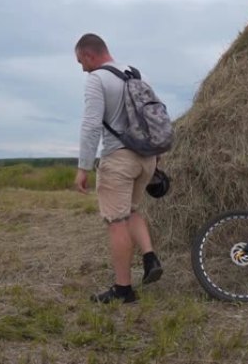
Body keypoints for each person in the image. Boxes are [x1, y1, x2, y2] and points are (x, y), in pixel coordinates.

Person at [74, 33, 163, 304]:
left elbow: (91, 125)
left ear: (90, 55)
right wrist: (158, 159)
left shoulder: (97, 79)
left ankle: (123, 289)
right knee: (132, 210)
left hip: (119, 158)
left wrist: (83, 168)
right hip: (147, 158)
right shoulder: (139, 74)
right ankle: (149, 256)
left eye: (81, 61)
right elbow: (155, 118)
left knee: (116, 221)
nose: (82, 67)